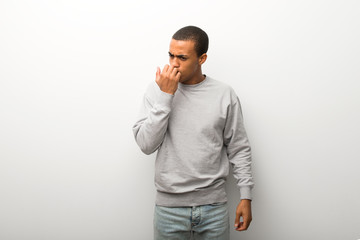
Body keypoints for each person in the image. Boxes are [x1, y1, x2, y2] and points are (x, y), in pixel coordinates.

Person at [133, 26, 254, 240]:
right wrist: (166, 96)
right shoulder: (156, 90)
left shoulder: (224, 94)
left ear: (202, 58)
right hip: (169, 210)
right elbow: (146, 145)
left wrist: (246, 196)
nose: (173, 63)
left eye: (182, 57)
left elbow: (238, 147)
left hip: (214, 208)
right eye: (170, 55)